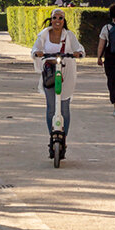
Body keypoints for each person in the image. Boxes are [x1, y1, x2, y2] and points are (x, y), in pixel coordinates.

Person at [30, 10, 84, 159]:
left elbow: (78, 48)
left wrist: (78, 53)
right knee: (51, 107)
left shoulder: (69, 35)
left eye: (60, 18)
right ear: (51, 19)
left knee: (64, 108)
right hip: (50, 74)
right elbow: (35, 49)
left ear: (64, 20)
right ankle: (52, 137)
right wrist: (37, 53)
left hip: (66, 73)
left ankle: (63, 138)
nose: (57, 21)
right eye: (55, 18)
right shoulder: (44, 35)